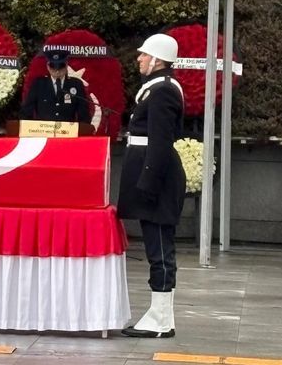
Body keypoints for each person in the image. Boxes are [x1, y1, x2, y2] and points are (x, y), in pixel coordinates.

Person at [118, 33, 185, 339]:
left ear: (157, 60)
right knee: (156, 247)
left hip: (157, 180)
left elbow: (160, 142)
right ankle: (161, 317)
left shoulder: (163, 91)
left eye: (144, 55)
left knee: (159, 248)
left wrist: (148, 183)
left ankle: (160, 319)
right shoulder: (156, 88)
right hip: (152, 177)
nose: (139, 59)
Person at [19, 49, 90, 123]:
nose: (57, 71)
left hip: (68, 129)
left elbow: (84, 115)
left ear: (66, 65)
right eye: (53, 67)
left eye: (61, 66)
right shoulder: (39, 84)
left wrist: (81, 128)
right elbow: (26, 112)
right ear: (48, 66)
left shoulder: (76, 84)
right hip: (43, 129)